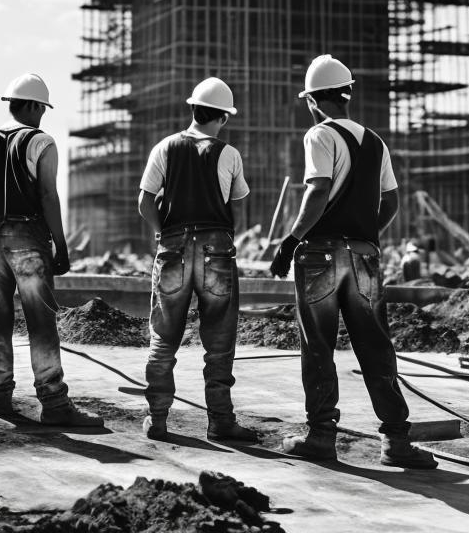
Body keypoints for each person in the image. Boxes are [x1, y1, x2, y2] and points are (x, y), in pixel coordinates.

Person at [270, 55, 437, 469]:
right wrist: (365, 233)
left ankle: (321, 436)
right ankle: (397, 441)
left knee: (318, 346)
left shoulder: (319, 135)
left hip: (320, 255)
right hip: (365, 257)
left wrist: (291, 240)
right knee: (376, 346)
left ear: (313, 101)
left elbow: (318, 191)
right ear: (347, 94)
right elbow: (392, 200)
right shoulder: (376, 142)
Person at [0, 73, 103, 427]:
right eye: (42, 108)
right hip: (26, 235)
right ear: (31, 106)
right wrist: (60, 242)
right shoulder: (41, 142)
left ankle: (0, 396)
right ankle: (54, 403)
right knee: (40, 321)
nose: (43, 115)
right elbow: (47, 195)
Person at [138, 77, 257, 443]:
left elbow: (144, 202)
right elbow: (237, 207)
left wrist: (166, 234)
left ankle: (157, 418)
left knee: (163, 338)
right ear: (223, 117)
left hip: (173, 247)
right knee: (219, 342)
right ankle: (220, 421)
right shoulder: (229, 154)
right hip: (216, 249)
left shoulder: (164, 147)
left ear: (192, 110)